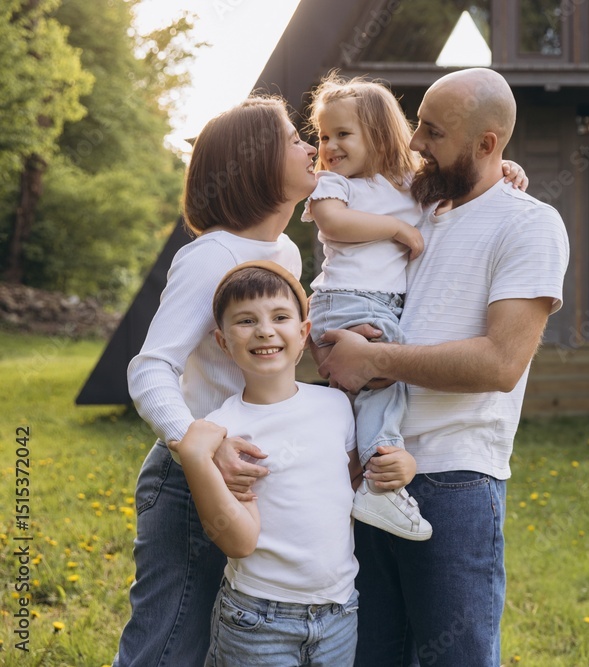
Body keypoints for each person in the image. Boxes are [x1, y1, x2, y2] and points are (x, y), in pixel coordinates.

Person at [318, 68, 571, 667]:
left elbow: (502, 362)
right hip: (366, 471)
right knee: (370, 655)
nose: (415, 143)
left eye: (434, 131)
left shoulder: (528, 224)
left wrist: (372, 358)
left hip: (452, 479)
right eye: (419, 125)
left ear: (487, 144)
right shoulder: (413, 205)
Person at [116, 96, 321, 666]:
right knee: (168, 644)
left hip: (249, 480)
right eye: (291, 138)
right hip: (188, 482)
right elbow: (150, 368)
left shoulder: (282, 251)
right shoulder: (213, 256)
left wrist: (500, 172)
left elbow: (388, 181)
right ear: (251, 161)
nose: (311, 147)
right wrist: (200, 447)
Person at [173, 261, 417, 666]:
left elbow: (357, 482)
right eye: (246, 320)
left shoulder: (337, 405)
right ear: (222, 341)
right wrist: (197, 457)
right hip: (258, 620)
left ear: (304, 333)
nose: (265, 330)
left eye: (281, 317)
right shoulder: (224, 433)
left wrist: (400, 466)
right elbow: (239, 541)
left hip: (339, 613)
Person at [302, 73, 430, 541]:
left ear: (378, 134)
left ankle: (355, 477)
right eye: (323, 136)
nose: (329, 145)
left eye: (342, 134)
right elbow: (334, 224)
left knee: (372, 388)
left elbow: (464, 177)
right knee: (385, 378)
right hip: (345, 299)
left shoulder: (409, 180)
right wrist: (396, 231)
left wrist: (508, 169)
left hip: (376, 302)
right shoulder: (332, 185)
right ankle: (382, 478)